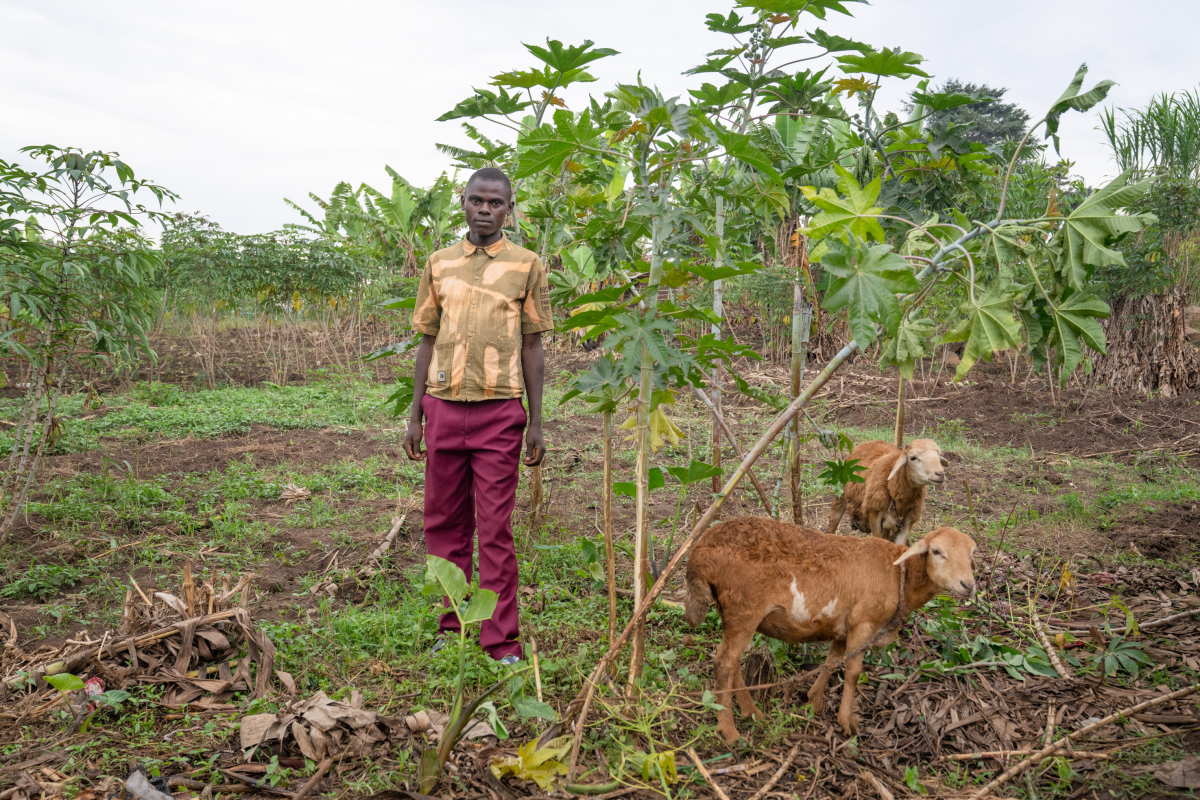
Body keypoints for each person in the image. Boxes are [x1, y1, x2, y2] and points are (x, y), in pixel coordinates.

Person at [403, 167, 549, 665]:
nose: (485, 209)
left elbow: (533, 345)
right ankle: (452, 623)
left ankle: (500, 640)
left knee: (495, 529)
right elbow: (427, 339)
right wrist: (414, 413)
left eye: (496, 203)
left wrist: (537, 419)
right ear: (462, 203)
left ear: (510, 209)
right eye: (477, 201)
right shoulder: (439, 263)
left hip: (500, 410)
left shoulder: (527, 265)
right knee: (443, 521)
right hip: (442, 406)